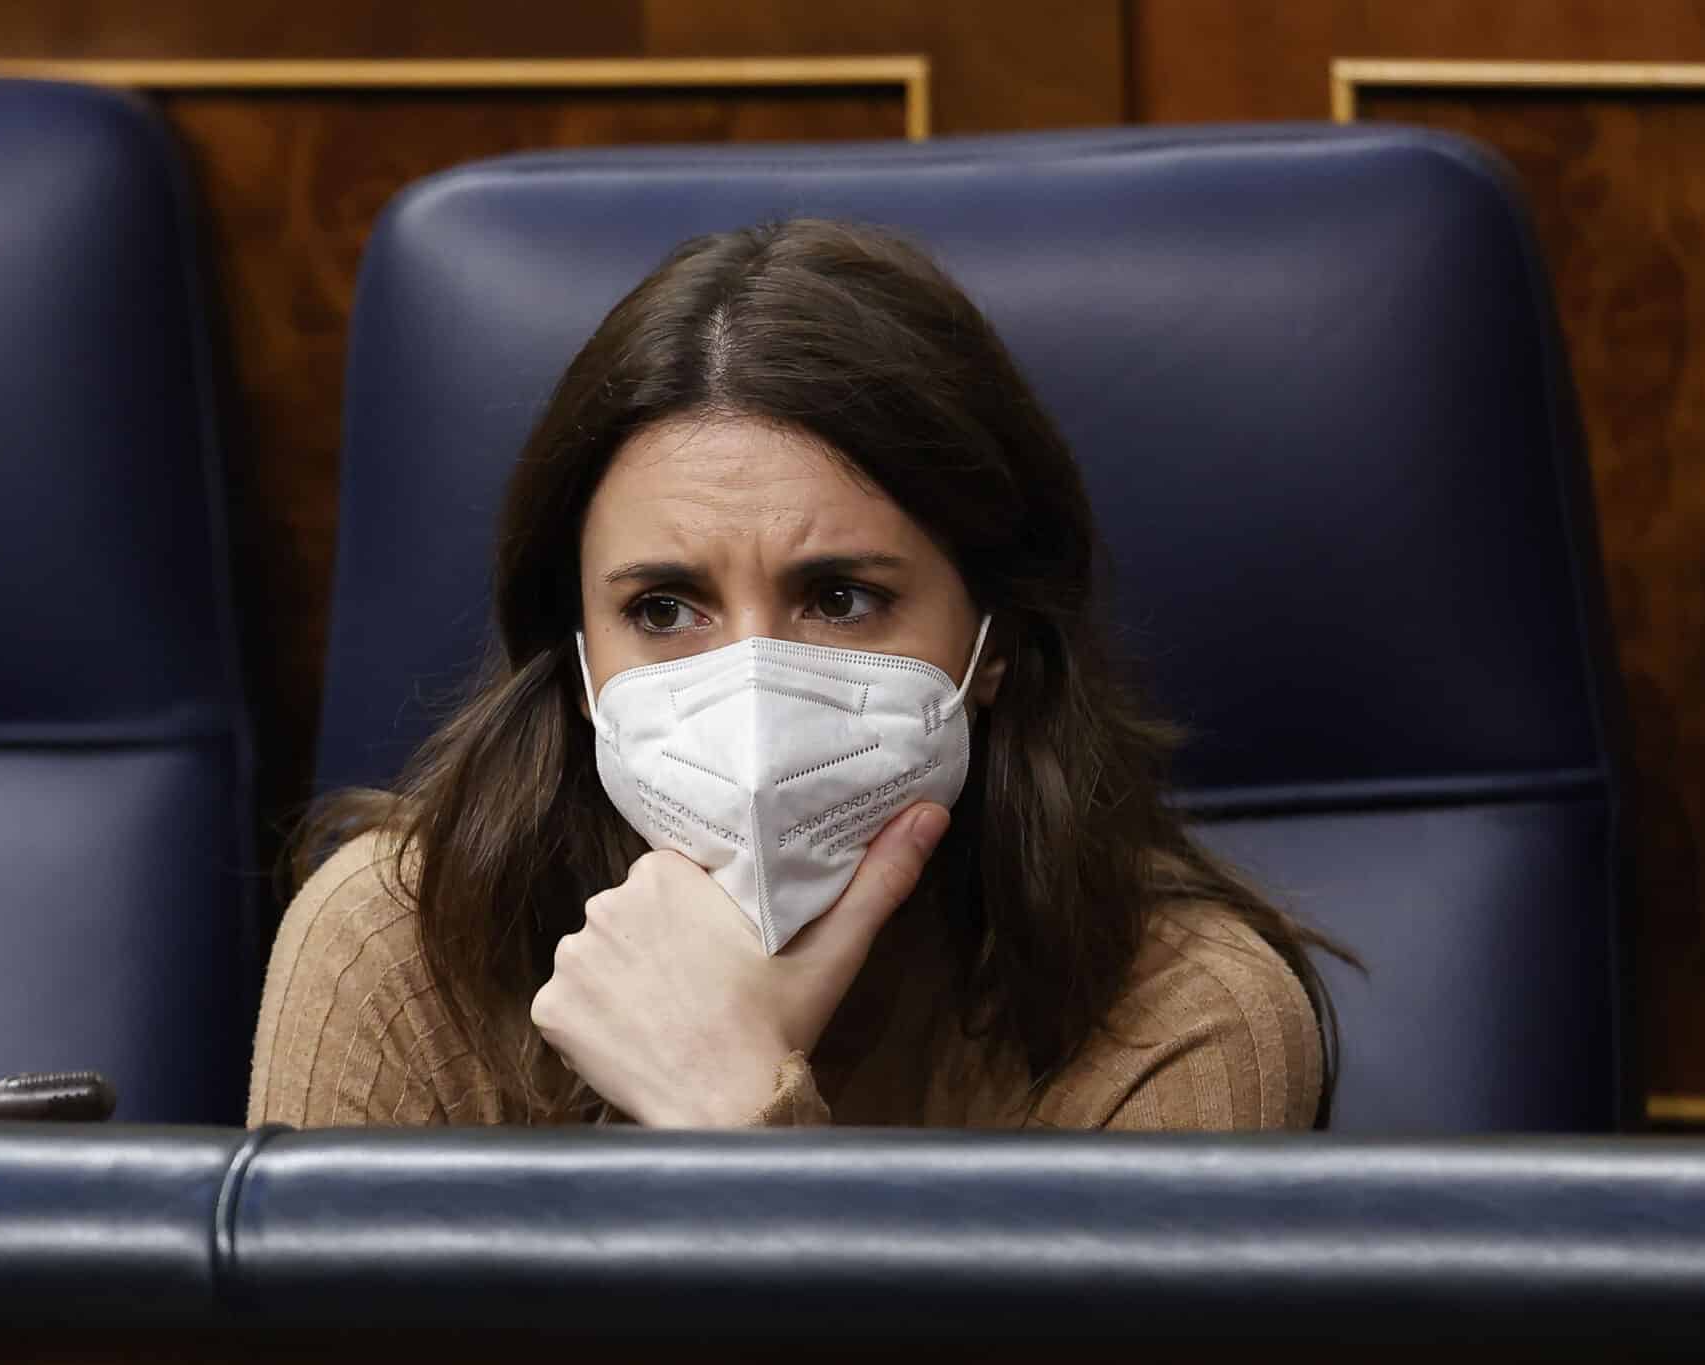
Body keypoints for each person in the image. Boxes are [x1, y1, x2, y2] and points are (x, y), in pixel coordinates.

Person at [249, 218, 1345, 1131]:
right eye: (663, 609)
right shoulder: (395, 950)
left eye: (838, 598)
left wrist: (732, 1114)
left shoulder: (1186, 1017)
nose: (752, 694)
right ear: (579, 664)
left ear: (996, 643)